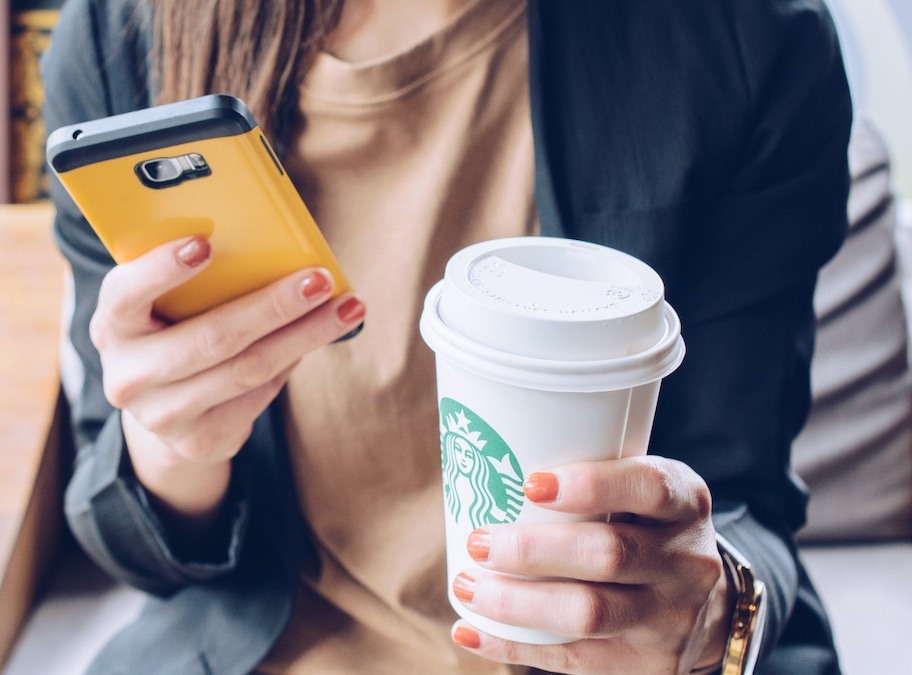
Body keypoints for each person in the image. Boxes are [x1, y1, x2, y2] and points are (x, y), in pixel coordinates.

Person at [44, 1, 852, 673]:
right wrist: (175, 442)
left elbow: (746, 510)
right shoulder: (128, 40)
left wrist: (710, 613)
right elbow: (133, 543)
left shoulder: (747, 37)